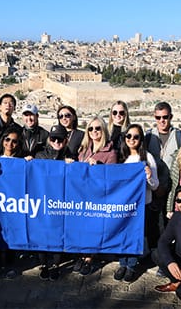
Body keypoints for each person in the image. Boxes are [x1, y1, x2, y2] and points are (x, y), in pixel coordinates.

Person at [114, 124, 159, 283]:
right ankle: (122, 263)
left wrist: (148, 176)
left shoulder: (148, 157)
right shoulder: (122, 157)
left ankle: (131, 266)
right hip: (124, 205)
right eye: (129, 136)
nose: (132, 139)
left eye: (136, 136)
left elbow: (155, 185)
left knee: (134, 236)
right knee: (122, 235)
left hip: (141, 205)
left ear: (141, 140)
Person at [75, 116, 117, 275]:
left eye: (98, 128)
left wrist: (98, 167)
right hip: (81, 195)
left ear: (104, 130)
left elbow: (111, 178)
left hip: (97, 197)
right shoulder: (84, 149)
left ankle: (89, 258)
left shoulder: (110, 152)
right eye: (91, 129)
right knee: (82, 228)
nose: (94, 131)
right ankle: (82, 254)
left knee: (93, 229)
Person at [33, 124, 75, 281]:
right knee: (42, 233)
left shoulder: (71, 157)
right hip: (42, 200)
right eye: (53, 138)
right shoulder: (39, 156)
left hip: (61, 203)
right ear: (49, 140)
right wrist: (27, 162)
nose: (57, 141)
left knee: (58, 234)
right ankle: (43, 264)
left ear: (66, 140)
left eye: (60, 139)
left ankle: (56, 265)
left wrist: (73, 165)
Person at [144, 102, 181, 256]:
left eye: (165, 117)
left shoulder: (179, 137)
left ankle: (167, 256)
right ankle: (155, 254)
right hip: (153, 188)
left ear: (170, 117)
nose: (162, 120)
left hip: (172, 189)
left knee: (170, 225)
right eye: (158, 117)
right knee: (152, 224)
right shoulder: (149, 136)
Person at [0, 127, 24, 279]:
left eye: (14, 141)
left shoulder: (22, 161)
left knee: (12, 231)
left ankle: (10, 264)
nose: (10, 144)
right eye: (7, 140)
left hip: (14, 202)